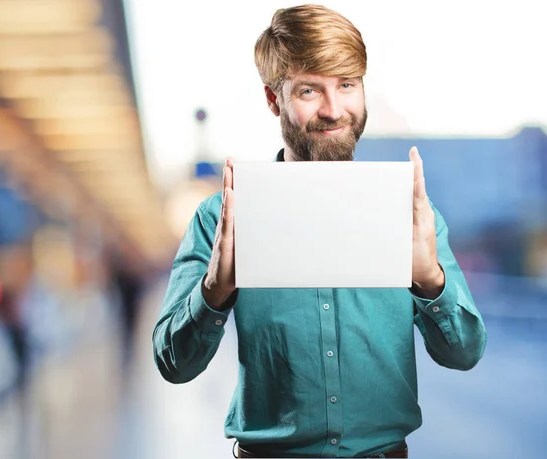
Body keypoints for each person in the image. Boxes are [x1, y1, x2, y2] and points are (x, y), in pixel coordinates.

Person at [152, 4, 487, 458]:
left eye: (347, 85)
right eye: (310, 90)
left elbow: (464, 353)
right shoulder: (224, 217)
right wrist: (213, 290)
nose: (334, 110)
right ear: (274, 99)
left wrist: (431, 281)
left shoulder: (410, 215)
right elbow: (173, 364)